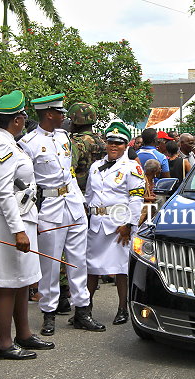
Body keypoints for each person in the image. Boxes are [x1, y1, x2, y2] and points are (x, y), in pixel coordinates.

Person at [20, 93, 105, 336]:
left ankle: (82, 311)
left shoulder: (64, 137)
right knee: (50, 263)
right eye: (60, 113)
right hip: (49, 206)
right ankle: (49, 313)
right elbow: (26, 183)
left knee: (79, 261)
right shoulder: (29, 143)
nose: (64, 117)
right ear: (49, 114)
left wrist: (82, 201)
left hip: (74, 203)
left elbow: (70, 172)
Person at [0, 90, 54, 359]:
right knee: (7, 282)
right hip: (5, 221)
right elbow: (3, 192)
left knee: (22, 279)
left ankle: (23, 334)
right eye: (23, 116)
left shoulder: (8, 142)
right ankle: (4, 343)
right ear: (17, 120)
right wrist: (18, 230)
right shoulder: (1, 146)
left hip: (18, 217)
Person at [85, 122, 145, 324]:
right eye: (110, 142)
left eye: (118, 143)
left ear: (126, 145)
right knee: (92, 267)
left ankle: (122, 309)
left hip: (119, 224)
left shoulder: (132, 167)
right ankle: (85, 309)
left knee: (121, 268)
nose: (113, 146)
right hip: (96, 223)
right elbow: (89, 196)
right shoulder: (95, 166)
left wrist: (129, 224)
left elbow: (136, 198)